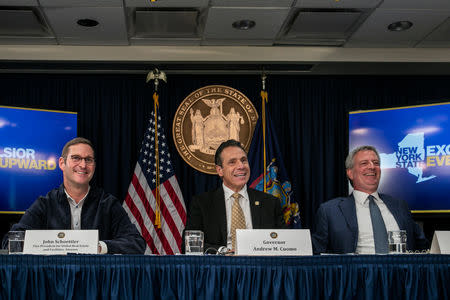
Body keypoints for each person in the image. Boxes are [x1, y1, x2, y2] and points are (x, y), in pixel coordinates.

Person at [2, 137, 145, 254]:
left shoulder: (108, 204)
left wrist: (99, 246)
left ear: (94, 166)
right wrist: (47, 245)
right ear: (62, 163)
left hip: (96, 282)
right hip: (55, 283)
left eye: (88, 159)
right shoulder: (45, 204)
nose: (83, 165)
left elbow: (136, 243)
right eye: (76, 158)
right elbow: (11, 242)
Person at [312, 145, 428, 254]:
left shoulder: (400, 206)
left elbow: (423, 247)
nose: (372, 167)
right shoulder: (330, 211)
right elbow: (317, 255)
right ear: (350, 173)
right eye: (364, 163)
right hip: (356, 273)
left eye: (376, 163)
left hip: (401, 273)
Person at [184, 139, 285, 253]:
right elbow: (190, 244)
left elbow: (283, 242)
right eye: (232, 162)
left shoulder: (270, 203)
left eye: (244, 160)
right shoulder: (202, 203)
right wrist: (223, 252)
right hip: (220, 267)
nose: (241, 166)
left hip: (260, 267)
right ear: (220, 170)